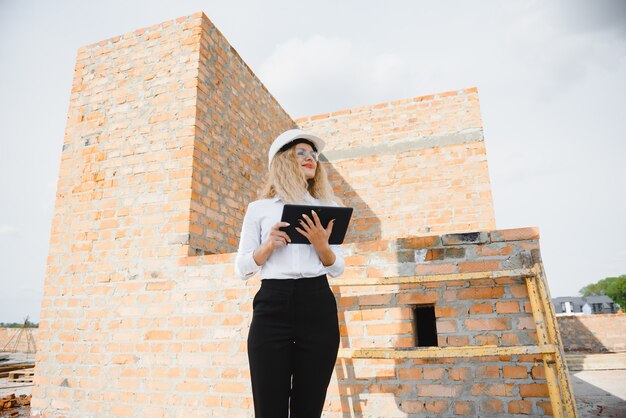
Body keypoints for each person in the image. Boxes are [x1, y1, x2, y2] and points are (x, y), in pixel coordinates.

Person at [235, 128, 345, 418]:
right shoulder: (259, 209)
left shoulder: (328, 207)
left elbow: (337, 268)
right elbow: (242, 267)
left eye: (314, 155)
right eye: (302, 153)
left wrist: (322, 245)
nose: (310, 158)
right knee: (269, 408)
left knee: (308, 409)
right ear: (284, 160)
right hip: (273, 304)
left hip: (317, 303)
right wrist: (268, 245)